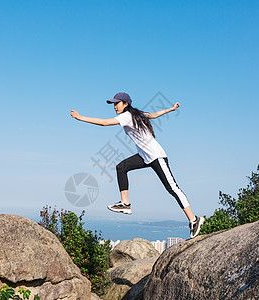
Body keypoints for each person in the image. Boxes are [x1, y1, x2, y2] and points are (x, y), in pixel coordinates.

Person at [70, 92, 205, 239]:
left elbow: (104, 123)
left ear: (125, 104)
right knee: (121, 167)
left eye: (117, 103)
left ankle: (194, 220)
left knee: (172, 188)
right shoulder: (137, 114)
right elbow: (153, 115)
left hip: (156, 155)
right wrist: (170, 109)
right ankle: (125, 203)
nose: (115, 106)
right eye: (114, 104)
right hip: (145, 156)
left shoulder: (127, 116)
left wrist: (80, 117)